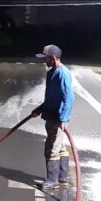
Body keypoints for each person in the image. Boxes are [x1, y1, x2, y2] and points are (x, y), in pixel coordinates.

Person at [30, 44, 74, 189]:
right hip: (51, 114)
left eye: (46, 58)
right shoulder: (51, 73)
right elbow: (51, 97)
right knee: (60, 147)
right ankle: (62, 177)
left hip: (58, 117)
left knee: (51, 148)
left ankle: (52, 180)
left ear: (53, 58)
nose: (44, 61)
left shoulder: (63, 74)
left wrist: (63, 119)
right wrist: (40, 109)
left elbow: (69, 98)